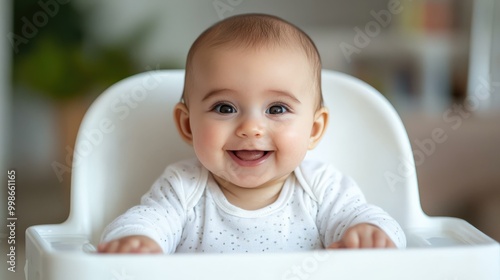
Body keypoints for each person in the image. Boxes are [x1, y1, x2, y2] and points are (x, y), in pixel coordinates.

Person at [98, 13, 406, 254]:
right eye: (224, 108)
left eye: (276, 109)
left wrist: (370, 233)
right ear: (187, 124)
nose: (250, 128)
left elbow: (373, 222)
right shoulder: (183, 188)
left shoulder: (321, 188)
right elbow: (146, 221)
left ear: (313, 130)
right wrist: (135, 240)